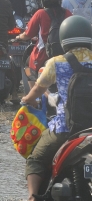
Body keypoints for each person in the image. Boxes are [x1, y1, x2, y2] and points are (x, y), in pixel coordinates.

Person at [21, 15, 92, 201]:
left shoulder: (57, 62)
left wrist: (27, 99)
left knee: (36, 158)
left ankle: (33, 196)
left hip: (65, 128)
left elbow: (38, 88)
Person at [15, 0, 72, 83]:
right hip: (65, 53)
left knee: (28, 67)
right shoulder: (67, 13)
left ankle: (34, 96)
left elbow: (28, 34)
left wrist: (18, 37)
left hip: (43, 54)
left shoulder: (40, 13)